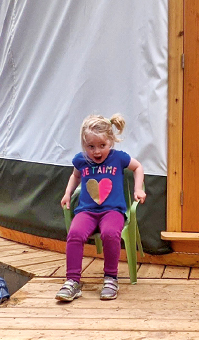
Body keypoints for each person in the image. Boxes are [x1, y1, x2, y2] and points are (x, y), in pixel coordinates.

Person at [56, 114, 146, 302]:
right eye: (91, 147)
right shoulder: (81, 160)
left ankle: (111, 278)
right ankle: (72, 281)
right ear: (84, 144)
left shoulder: (118, 158)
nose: (96, 151)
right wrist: (67, 193)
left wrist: (138, 189)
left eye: (102, 146)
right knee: (74, 234)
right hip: (87, 211)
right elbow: (76, 176)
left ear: (110, 142)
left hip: (113, 211)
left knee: (110, 234)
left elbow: (138, 167)